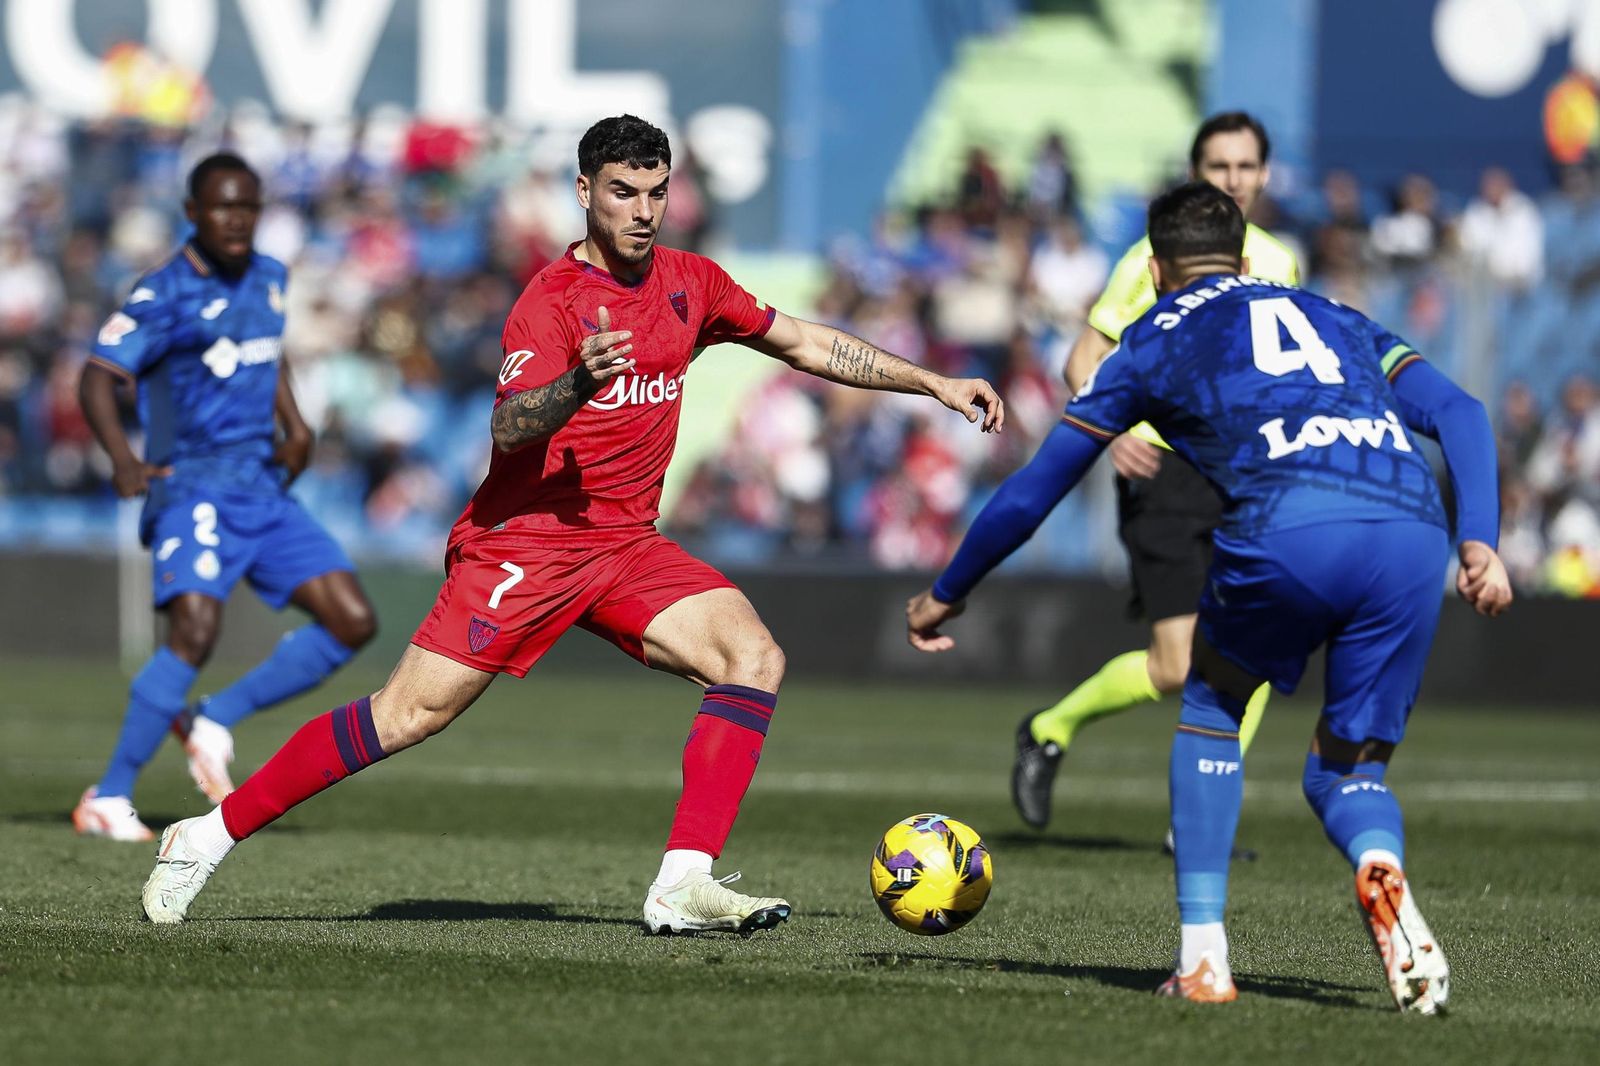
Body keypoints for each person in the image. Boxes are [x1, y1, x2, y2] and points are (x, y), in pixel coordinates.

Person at [139, 115, 1004, 933]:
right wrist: (581, 382)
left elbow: (806, 343)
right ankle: (207, 835)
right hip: (524, 543)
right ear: (584, 191)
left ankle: (682, 883)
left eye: (656, 192)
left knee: (754, 658)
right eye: (624, 192)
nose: (643, 210)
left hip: (626, 545)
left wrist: (933, 383)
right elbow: (510, 426)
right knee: (405, 717)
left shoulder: (690, 283)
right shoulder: (549, 303)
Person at [907, 181, 1511, 1010]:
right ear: (1243, 251)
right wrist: (1480, 536)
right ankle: (1380, 869)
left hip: (1291, 526)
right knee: (1345, 772)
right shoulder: (1331, 313)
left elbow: (1034, 489)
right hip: (1411, 528)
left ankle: (1203, 961)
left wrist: (947, 591)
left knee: (1213, 700)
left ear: (1156, 270)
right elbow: (1462, 410)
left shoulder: (1153, 339)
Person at [1012, 112, 1301, 833]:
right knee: (1175, 666)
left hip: (1244, 474)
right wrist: (1108, 429)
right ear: (1195, 172)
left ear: (1264, 175)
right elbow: (1083, 357)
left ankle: (1199, 819)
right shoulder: (1152, 256)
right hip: (1163, 469)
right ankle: (1049, 727)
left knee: (1259, 645)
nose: (1232, 180)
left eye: (1245, 167)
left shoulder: (1279, 261)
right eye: (1218, 167)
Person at [75, 153, 375, 840]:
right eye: (222, 207)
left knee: (353, 619)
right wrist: (122, 458)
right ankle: (109, 795)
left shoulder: (269, 278)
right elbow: (96, 377)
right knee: (196, 630)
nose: (237, 220)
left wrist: (296, 425)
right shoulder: (165, 292)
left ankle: (214, 716)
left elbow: (267, 356)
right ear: (193, 213)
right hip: (192, 484)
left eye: (248, 208)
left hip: (261, 486)